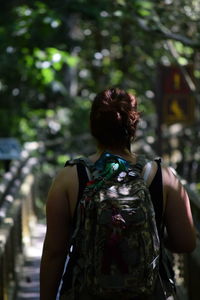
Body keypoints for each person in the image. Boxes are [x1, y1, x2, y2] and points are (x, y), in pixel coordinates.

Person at [40, 88, 196, 300]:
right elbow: (187, 242)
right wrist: (152, 233)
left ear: (93, 127)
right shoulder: (163, 177)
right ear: (134, 126)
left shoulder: (69, 178)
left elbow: (54, 253)